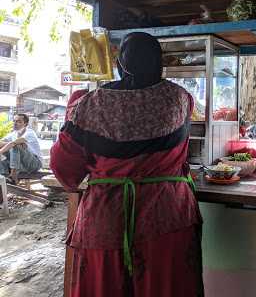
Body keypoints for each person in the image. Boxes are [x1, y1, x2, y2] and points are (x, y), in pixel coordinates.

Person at [50, 32, 203, 297]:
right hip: (168, 219)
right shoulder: (180, 98)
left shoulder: (88, 105)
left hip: (106, 221)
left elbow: (65, 170)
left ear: (119, 66)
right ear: (161, 65)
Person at [0, 113, 42, 182]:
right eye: (14, 121)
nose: (15, 123)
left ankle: (13, 174)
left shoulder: (30, 133)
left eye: (18, 121)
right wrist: (10, 144)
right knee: (13, 146)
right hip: (21, 164)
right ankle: (4, 176)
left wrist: (12, 144)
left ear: (25, 124)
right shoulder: (14, 133)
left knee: (15, 146)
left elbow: (14, 143)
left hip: (34, 164)